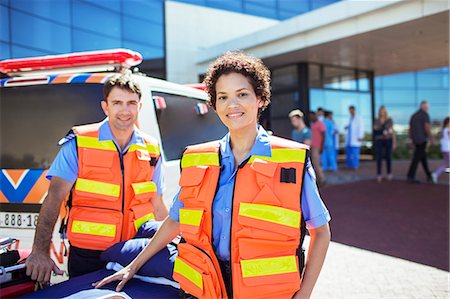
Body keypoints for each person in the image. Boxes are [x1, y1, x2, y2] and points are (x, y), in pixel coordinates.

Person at [94, 52, 331, 299]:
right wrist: (134, 265)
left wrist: (303, 295)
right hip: (204, 289)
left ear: (260, 98)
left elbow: (321, 232)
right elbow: (175, 221)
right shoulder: (199, 159)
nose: (232, 105)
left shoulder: (290, 161)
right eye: (223, 97)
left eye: (242, 94)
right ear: (215, 104)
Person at [25, 73, 168, 283]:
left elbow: (157, 202)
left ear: (139, 107)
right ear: (105, 107)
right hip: (88, 254)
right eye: (117, 103)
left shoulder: (152, 148)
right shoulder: (79, 143)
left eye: (131, 103)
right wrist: (40, 251)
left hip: (132, 253)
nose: (125, 110)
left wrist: (169, 244)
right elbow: (54, 197)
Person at [406, 100, 434, 183]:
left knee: (423, 157)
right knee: (417, 158)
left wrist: (411, 139)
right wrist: (431, 138)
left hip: (415, 140)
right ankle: (410, 176)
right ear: (423, 106)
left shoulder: (413, 116)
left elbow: (410, 129)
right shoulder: (425, 115)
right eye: (426, 107)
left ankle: (428, 175)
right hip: (422, 140)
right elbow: (427, 127)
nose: (427, 109)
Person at [373, 106, 396, 182]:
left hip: (388, 140)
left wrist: (394, 142)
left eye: (384, 111)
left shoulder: (389, 120)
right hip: (379, 141)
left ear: (385, 112)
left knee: (388, 157)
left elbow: (392, 131)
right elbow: (375, 130)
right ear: (379, 112)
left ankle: (389, 173)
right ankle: (379, 174)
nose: (382, 112)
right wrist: (383, 131)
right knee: (379, 157)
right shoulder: (376, 120)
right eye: (381, 111)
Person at [309, 111, 326, 185]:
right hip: (312, 146)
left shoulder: (320, 123)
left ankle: (322, 179)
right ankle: (318, 179)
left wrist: (322, 146)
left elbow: (323, 135)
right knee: (314, 163)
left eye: (311, 116)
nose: (310, 118)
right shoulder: (312, 124)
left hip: (317, 146)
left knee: (316, 164)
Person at [345, 105, 364, 170]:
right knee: (349, 154)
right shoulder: (350, 118)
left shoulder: (358, 118)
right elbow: (350, 126)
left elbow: (361, 128)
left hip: (356, 139)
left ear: (354, 110)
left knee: (355, 154)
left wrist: (360, 136)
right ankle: (349, 165)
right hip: (349, 139)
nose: (350, 111)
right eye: (349, 110)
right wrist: (347, 127)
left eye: (351, 110)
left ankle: (355, 166)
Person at [432, 116, 450, 183]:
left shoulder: (443, 130)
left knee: (446, 164)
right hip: (448, 149)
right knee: (447, 164)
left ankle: (435, 174)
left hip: (444, 149)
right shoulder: (448, 130)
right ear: (448, 123)